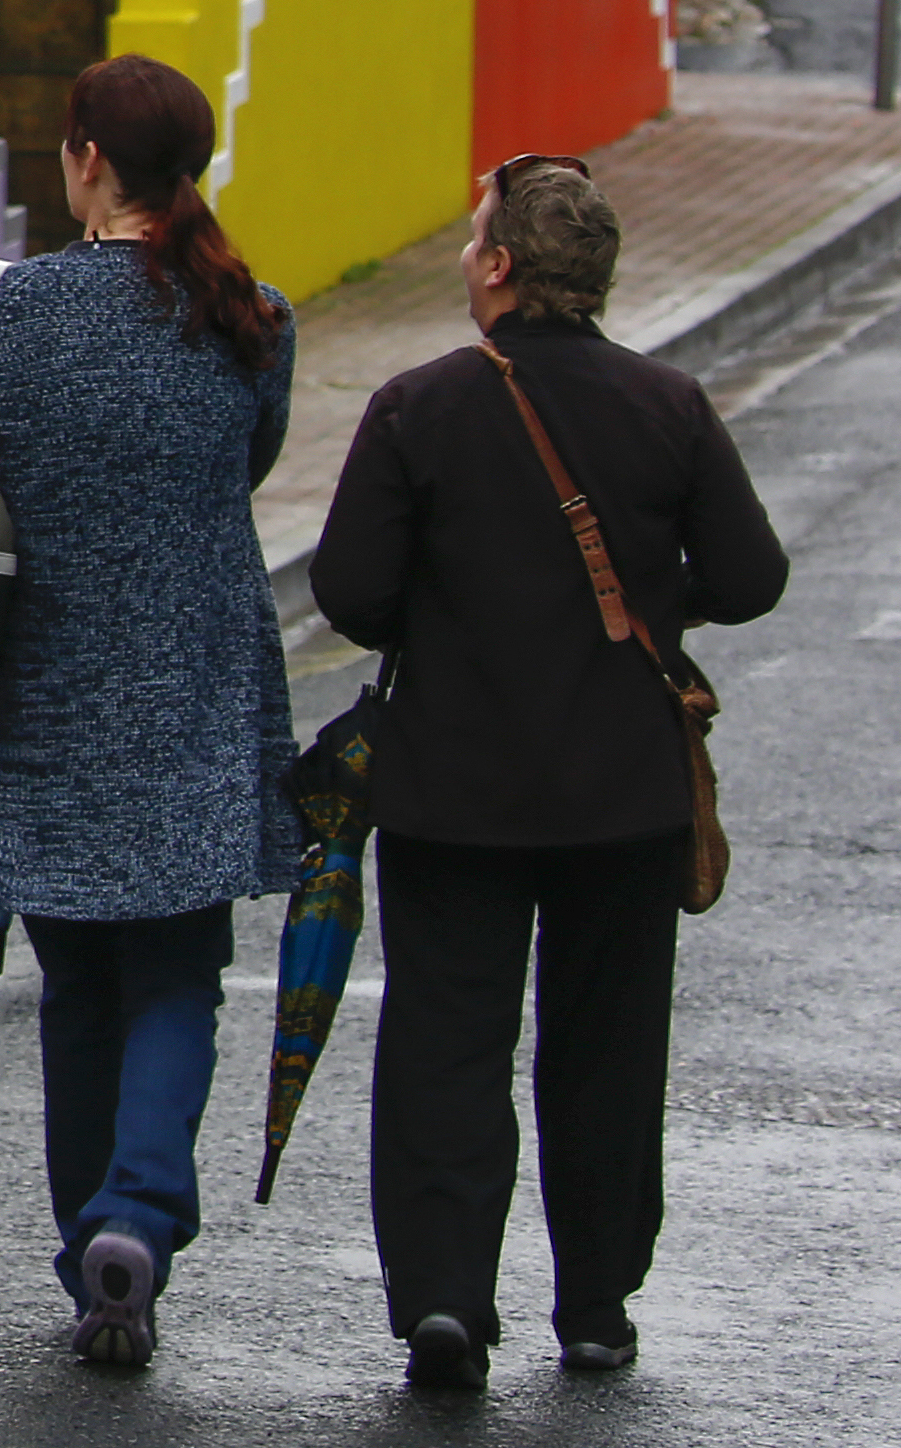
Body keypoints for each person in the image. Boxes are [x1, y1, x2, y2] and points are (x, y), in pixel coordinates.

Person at [312, 154, 786, 1392]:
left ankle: (446, 1302)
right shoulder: (669, 405)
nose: (468, 260)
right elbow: (751, 575)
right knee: (608, 1048)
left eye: (475, 243)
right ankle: (596, 1308)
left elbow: (353, 594)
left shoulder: (419, 407)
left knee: (446, 1041)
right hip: (622, 797)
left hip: (454, 792)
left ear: (503, 267)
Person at [0, 55, 299, 1372]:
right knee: (179, 976)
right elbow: (249, 462)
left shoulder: (0, 308)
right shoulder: (252, 311)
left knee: (78, 981)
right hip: (195, 688)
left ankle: (95, 1248)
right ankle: (137, 1210)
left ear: (83, 156)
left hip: (46, 686)